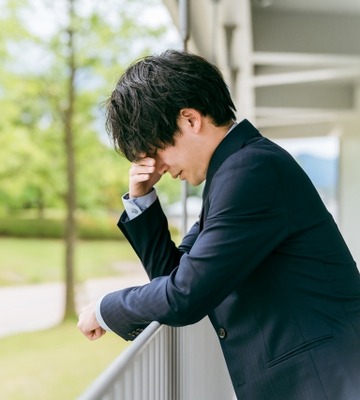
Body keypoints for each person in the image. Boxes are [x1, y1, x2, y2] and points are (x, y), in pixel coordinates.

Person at [77, 50, 360, 399]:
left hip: (328, 384)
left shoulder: (251, 170)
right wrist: (142, 200)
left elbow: (186, 294)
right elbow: (176, 276)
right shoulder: (235, 172)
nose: (158, 167)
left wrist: (106, 309)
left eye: (155, 149)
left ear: (190, 120)